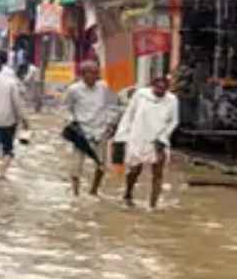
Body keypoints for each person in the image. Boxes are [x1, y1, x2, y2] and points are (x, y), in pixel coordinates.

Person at [115, 75, 180, 208]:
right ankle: (128, 193)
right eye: (158, 87)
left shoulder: (172, 100)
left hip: (159, 140)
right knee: (134, 170)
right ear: (152, 86)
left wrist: (163, 137)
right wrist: (121, 135)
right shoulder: (141, 95)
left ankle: (153, 205)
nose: (161, 90)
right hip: (138, 136)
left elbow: (174, 121)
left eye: (164, 88)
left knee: (158, 173)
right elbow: (129, 114)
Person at [63, 61, 118, 197]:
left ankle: (94, 190)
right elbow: (66, 109)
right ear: (83, 74)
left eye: (96, 72)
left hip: (100, 131)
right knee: (76, 166)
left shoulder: (104, 87)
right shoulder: (74, 90)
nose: (95, 76)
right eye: (91, 73)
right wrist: (72, 122)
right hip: (81, 132)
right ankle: (76, 194)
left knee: (101, 165)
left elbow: (113, 105)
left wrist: (111, 123)